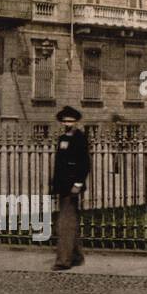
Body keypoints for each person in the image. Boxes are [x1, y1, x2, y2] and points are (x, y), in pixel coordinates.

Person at [49, 105, 90, 271]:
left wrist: (78, 184)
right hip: (62, 185)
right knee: (69, 221)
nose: (68, 124)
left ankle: (63, 261)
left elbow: (85, 163)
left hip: (72, 186)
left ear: (76, 122)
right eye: (65, 121)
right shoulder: (62, 139)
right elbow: (58, 165)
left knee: (65, 224)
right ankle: (77, 256)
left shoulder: (80, 138)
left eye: (71, 121)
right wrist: (54, 186)